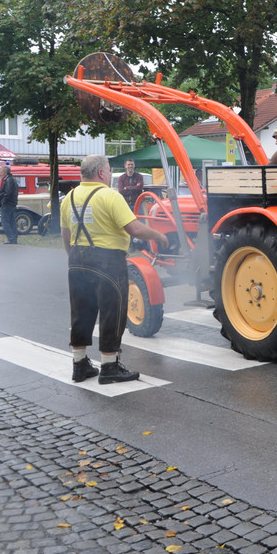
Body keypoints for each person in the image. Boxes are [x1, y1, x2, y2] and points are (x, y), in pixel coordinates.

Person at [61, 154, 170, 384]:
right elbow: (135, 229)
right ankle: (109, 367)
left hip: (77, 259)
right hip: (108, 261)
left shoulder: (68, 198)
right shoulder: (110, 196)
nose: (110, 174)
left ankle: (79, 365)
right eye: (109, 170)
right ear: (101, 172)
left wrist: (75, 259)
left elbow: (66, 235)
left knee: (80, 312)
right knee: (112, 312)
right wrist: (159, 236)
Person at [0, 165, 19, 244]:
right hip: (12, 203)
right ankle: (14, 238)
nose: (0, 174)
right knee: (12, 221)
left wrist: (2, 202)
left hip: (7, 204)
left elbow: (7, 193)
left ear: (5, 172)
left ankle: (11, 238)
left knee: (5, 221)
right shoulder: (12, 179)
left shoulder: (8, 180)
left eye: (1, 172)